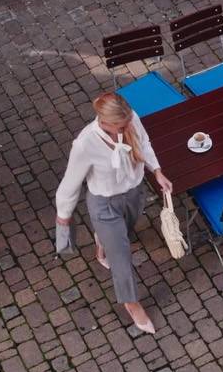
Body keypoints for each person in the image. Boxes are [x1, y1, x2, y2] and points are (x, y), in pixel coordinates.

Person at [53, 94, 174, 334]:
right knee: (122, 259)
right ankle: (132, 303)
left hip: (133, 195)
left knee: (124, 235)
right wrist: (63, 216)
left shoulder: (131, 119)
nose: (128, 127)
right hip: (105, 205)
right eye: (121, 126)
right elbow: (70, 182)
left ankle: (101, 243)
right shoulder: (85, 144)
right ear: (105, 123)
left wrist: (157, 171)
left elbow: (145, 143)